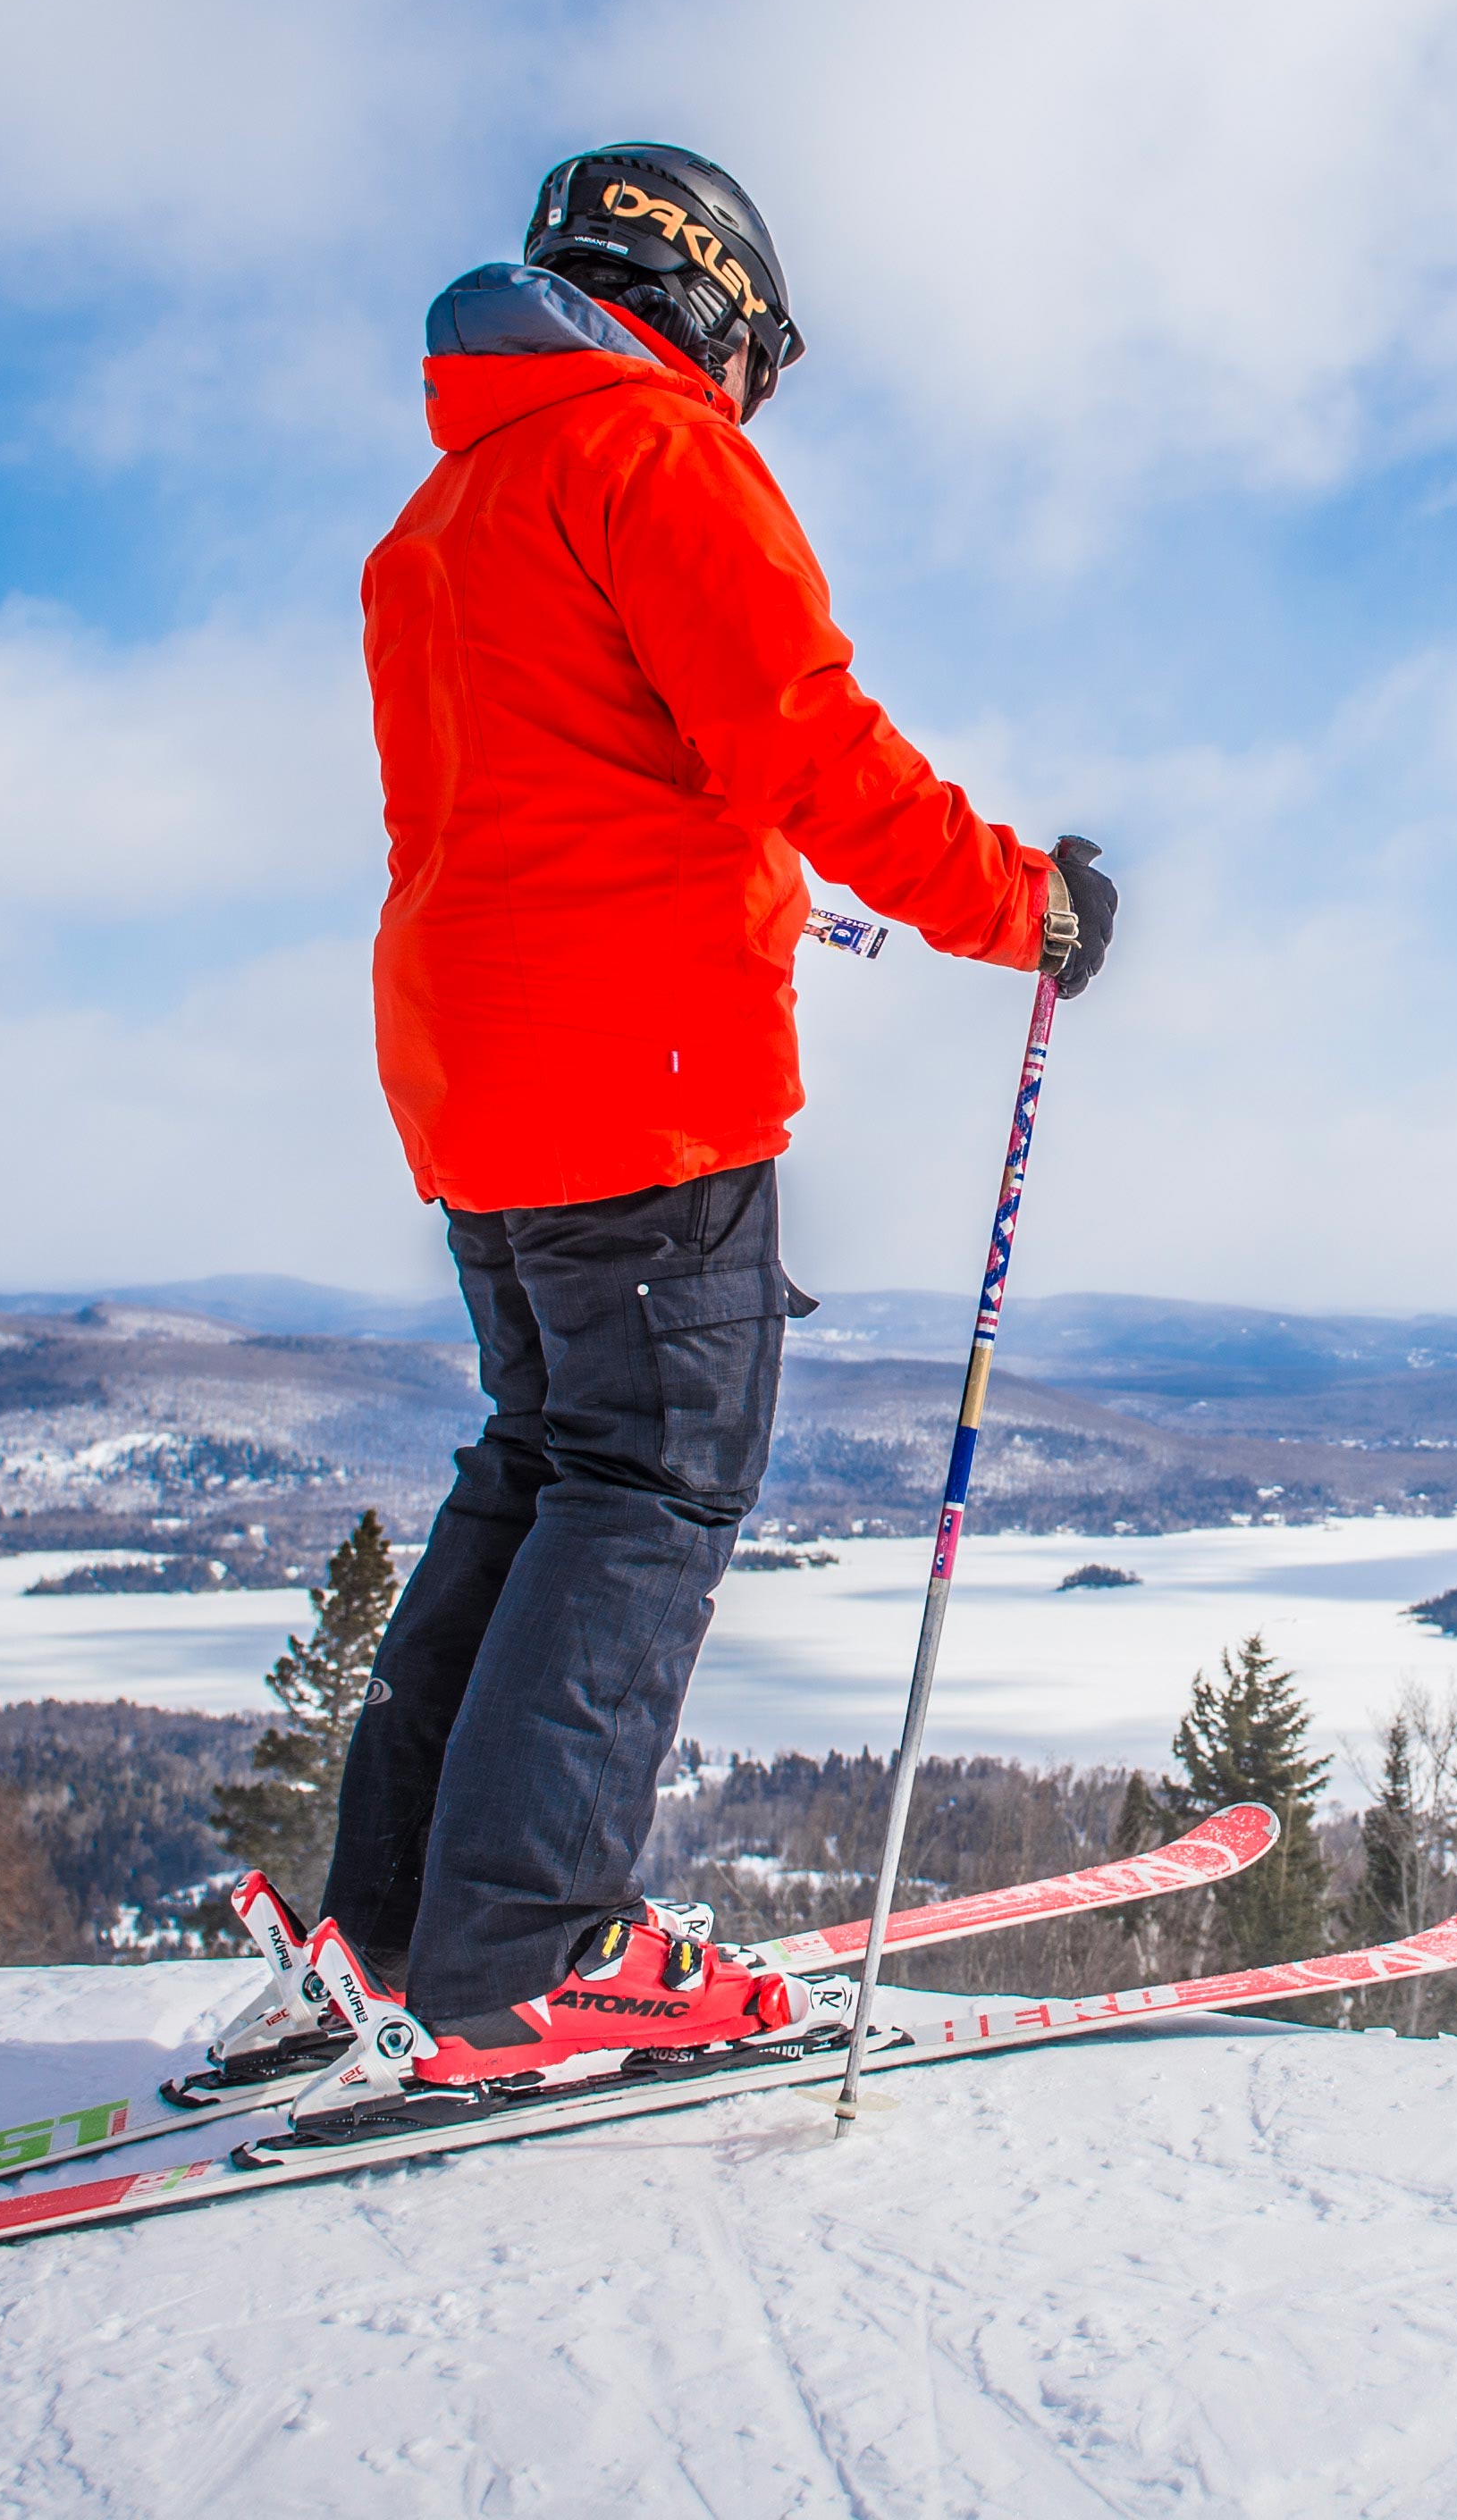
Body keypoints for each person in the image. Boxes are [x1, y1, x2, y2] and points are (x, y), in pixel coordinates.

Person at [311, 142, 1116, 2106]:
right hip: (637, 1079)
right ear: (708, 308)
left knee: (544, 1458)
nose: (756, 394)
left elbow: (583, 784)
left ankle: (398, 1924)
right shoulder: (653, 460)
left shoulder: (444, 515)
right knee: (651, 1476)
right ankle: (527, 1956)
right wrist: (1028, 902)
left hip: (474, 1072)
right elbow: (802, 740)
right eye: (758, 352)